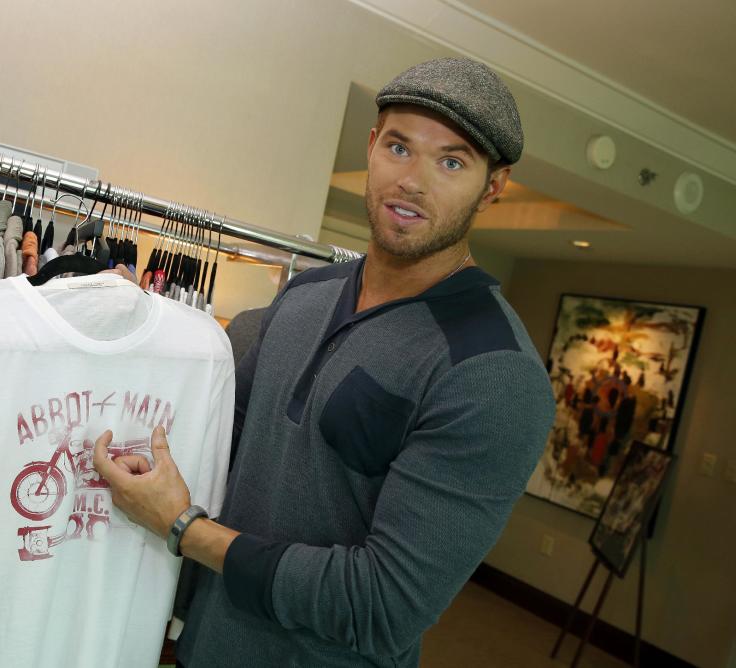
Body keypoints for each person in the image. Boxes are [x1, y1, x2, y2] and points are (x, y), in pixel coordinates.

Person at [92, 57, 557, 667]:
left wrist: (183, 529)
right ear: (371, 146)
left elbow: (383, 605)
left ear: (492, 187)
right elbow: (227, 450)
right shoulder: (305, 293)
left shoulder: (494, 372)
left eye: (451, 161)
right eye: (399, 146)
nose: (413, 181)